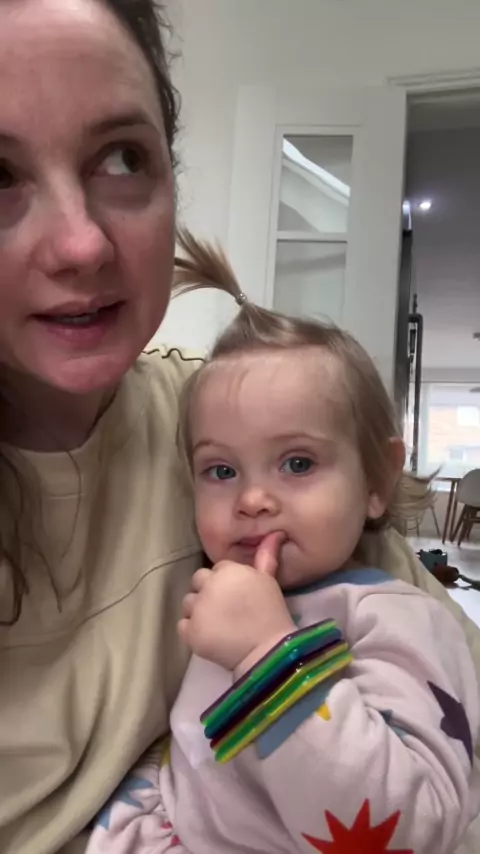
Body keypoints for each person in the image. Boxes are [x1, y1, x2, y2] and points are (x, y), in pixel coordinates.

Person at [0, 3, 479, 853]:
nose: (80, 245)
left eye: (122, 157)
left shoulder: (223, 423)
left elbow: (418, 802)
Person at [85, 232, 480, 854]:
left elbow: (412, 826)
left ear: (377, 481)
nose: (252, 499)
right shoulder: (215, 594)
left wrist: (268, 655)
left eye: (297, 463)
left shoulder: (398, 618)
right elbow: (190, 766)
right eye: (221, 470)